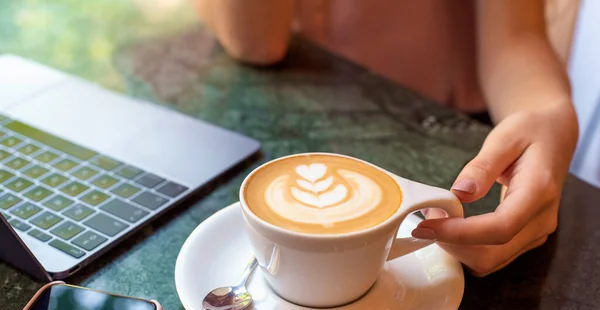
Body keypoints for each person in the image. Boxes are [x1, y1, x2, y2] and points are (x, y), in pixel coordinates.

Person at [193, 0, 580, 277]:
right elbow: (256, 41)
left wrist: (549, 111)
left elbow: (516, 36)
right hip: (286, 116)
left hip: (449, 134)